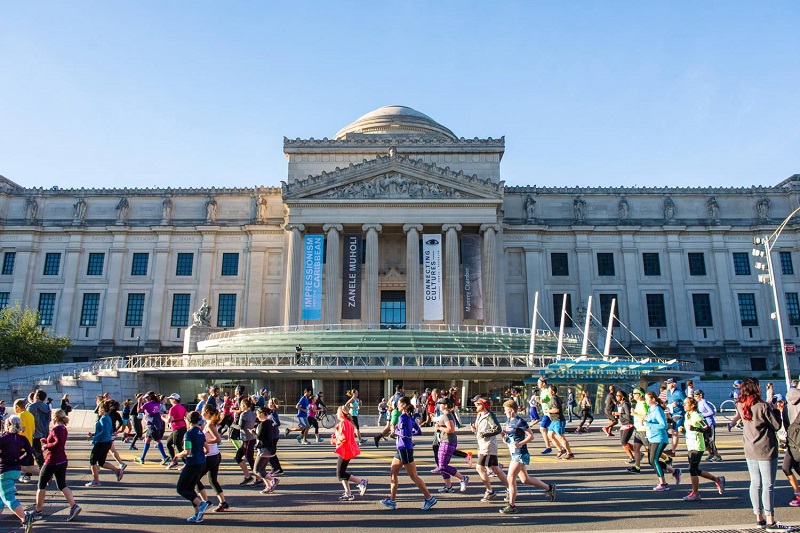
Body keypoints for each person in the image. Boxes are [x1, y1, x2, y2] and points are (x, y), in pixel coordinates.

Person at [737, 377, 787, 531]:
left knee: (755, 483)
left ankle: (759, 517)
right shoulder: (762, 406)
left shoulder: (740, 404)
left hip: (750, 448)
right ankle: (770, 519)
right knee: (768, 484)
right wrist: (776, 409)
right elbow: (777, 425)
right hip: (766, 448)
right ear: (756, 388)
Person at [379, 396, 437, 511]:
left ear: (404, 405)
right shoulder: (411, 417)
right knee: (393, 474)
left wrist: (395, 431)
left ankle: (429, 498)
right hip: (402, 448)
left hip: (404, 448)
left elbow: (405, 434)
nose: (397, 406)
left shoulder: (402, 418)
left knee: (414, 476)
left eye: (399, 404)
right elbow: (418, 431)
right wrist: (407, 433)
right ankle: (392, 501)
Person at [499, 399, 556, 514]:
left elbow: (531, 436)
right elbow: (511, 436)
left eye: (505, 410)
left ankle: (512, 505)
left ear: (511, 410)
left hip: (520, 453)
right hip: (514, 453)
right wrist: (504, 435)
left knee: (510, 479)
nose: (504, 412)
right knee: (525, 479)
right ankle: (549, 488)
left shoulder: (520, 421)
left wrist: (520, 443)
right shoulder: (509, 420)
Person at [32, 409, 81, 523]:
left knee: (41, 485)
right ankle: (74, 506)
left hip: (52, 460)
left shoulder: (56, 429)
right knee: (62, 484)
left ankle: (38, 511)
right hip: (62, 460)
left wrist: (46, 446)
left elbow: (57, 443)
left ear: (54, 418)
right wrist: (45, 441)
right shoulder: (63, 428)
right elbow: (57, 441)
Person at [681, 397, 725, 501]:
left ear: (692, 405)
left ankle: (695, 494)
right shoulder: (687, 415)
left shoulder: (697, 416)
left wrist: (695, 428)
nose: (684, 405)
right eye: (684, 403)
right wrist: (683, 430)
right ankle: (718, 480)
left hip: (698, 445)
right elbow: (689, 430)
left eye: (686, 403)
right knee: (695, 470)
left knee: (692, 469)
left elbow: (706, 428)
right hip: (690, 444)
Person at [0, 416, 36, 531]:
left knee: (8, 498)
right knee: (1, 497)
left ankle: (25, 518)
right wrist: (18, 458)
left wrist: (3, 457)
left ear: (8, 424)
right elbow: (30, 452)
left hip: (4, 470)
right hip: (16, 470)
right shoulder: (22, 438)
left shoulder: (3, 439)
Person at [174, 411, 211, 523]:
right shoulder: (200, 432)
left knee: (181, 488)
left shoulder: (188, 433)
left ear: (188, 420)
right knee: (190, 488)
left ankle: (202, 504)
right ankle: (197, 514)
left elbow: (187, 451)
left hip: (192, 463)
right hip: (201, 462)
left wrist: (177, 455)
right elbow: (207, 449)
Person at [470, 395, 508, 501]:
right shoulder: (480, 415)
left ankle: (490, 491)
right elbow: (481, 431)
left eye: (477, 404)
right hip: (484, 445)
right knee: (495, 468)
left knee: (480, 467)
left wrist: (484, 433)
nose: (475, 405)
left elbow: (497, 428)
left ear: (483, 405)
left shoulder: (489, 415)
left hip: (488, 446)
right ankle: (510, 488)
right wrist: (475, 430)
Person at [644, 392, 681, 492]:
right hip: (652, 438)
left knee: (654, 460)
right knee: (651, 461)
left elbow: (663, 425)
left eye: (647, 398)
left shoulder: (657, 410)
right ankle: (674, 471)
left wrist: (648, 424)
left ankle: (663, 483)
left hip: (659, 438)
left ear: (653, 399)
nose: (645, 400)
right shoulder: (650, 409)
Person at [433, 399, 469, 493]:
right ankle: (448, 487)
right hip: (445, 441)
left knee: (442, 466)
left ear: (445, 405)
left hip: (448, 442)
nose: (439, 405)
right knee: (442, 465)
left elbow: (451, 430)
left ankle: (463, 478)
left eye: (440, 404)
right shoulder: (447, 414)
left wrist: (439, 427)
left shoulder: (446, 415)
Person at [86, 400, 124, 487]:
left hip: (101, 443)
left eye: (99, 408)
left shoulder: (104, 418)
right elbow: (107, 431)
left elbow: (104, 432)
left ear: (103, 409)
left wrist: (94, 439)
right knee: (101, 462)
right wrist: (94, 434)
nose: (98, 410)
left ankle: (96, 481)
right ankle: (117, 471)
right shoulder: (107, 418)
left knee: (92, 461)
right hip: (106, 442)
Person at [332, 406, 368, 501]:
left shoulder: (343, 422)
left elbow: (344, 437)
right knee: (342, 472)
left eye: (337, 412)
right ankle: (348, 493)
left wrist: (335, 440)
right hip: (348, 449)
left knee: (340, 473)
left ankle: (361, 482)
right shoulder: (348, 422)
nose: (336, 414)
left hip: (345, 450)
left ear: (342, 413)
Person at [198, 404, 228, 512]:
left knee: (195, 479)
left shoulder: (210, 424)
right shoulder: (208, 423)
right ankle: (223, 503)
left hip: (210, 457)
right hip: (214, 455)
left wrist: (204, 442)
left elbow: (218, 439)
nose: (201, 413)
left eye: (202, 412)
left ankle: (206, 502)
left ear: (208, 413)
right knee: (212, 480)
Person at [134, 391, 169, 464]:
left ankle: (164, 456)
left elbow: (139, 411)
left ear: (150, 397)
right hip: (156, 423)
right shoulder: (157, 403)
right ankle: (142, 458)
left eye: (146, 397)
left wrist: (139, 402)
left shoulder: (148, 404)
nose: (145, 399)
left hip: (151, 425)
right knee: (147, 440)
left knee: (157, 440)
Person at [252, 407, 278, 494]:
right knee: (262, 469)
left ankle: (273, 480)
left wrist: (252, 432)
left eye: (257, 414)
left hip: (264, 449)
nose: (256, 416)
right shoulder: (268, 422)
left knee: (256, 470)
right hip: (268, 449)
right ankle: (268, 486)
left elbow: (259, 437)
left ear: (262, 414)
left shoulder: (264, 423)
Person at [233, 397, 257, 485]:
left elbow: (241, 426)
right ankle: (247, 476)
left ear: (244, 405)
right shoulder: (253, 413)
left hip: (248, 439)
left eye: (241, 405)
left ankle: (259, 478)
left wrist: (233, 426)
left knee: (250, 459)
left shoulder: (244, 414)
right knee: (238, 457)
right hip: (248, 438)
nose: (240, 407)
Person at [694, 389, 722, 461]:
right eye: (694, 396)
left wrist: (702, 414)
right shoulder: (698, 403)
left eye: (696, 396)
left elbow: (711, 412)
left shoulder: (703, 402)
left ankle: (717, 456)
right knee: (704, 440)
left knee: (711, 441)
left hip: (710, 424)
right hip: (703, 424)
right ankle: (711, 453)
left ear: (700, 395)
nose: (695, 397)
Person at [547, 385, 574, 459]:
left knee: (561, 437)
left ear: (552, 392)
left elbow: (557, 410)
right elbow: (562, 405)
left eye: (548, 390)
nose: (547, 391)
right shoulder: (555, 398)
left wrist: (548, 411)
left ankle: (569, 453)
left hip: (558, 420)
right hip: (554, 421)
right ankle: (561, 450)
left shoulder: (554, 399)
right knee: (550, 435)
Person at [27, 389, 51, 467]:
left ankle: (43, 470)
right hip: (45, 432)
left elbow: (29, 420)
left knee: (36, 454)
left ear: (37, 397)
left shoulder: (32, 407)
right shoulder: (47, 407)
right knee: (47, 453)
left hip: (35, 433)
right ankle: (46, 468)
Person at [627, 388, 649, 474]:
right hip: (638, 429)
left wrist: (635, 414)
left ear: (640, 395)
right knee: (636, 448)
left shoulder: (643, 404)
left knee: (649, 450)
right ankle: (637, 467)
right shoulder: (638, 403)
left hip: (644, 430)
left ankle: (666, 459)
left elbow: (646, 416)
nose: (633, 394)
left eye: (635, 393)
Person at [165, 393, 188, 470]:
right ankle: (174, 461)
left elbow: (169, 420)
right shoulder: (182, 407)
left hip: (178, 428)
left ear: (174, 400)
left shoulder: (173, 408)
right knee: (168, 443)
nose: (170, 400)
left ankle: (186, 463)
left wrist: (162, 418)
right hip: (181, 427)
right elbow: (187, 416)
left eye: (171, 399)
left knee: (177, 445)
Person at [665, 378, 686, 455]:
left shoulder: (679, 392)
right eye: (667, 383)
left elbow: (686, 402)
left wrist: (678, 404)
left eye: (669, 383)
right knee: (669, 429)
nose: (667, 385)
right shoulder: (668, 392)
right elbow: (668, 401)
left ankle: (672, 450)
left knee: (674, 432)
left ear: (674, 384)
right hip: (671, 413)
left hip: (678, 413)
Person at [615, 390, 635, 464]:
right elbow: (621, 415)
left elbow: (628, 416)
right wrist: (617, 415)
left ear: (622, 397)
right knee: (623, 443)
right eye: (616, 395)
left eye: (618, 395)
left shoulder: (626, 404)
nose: (616, 397)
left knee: (624, 441)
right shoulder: (620, 405)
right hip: (623, 425)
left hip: (628, 424)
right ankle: (634, 455)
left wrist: (619, 414)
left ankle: (632, 457)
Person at [537, 378, 555, 453]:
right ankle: (559, 447)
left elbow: (549, 399)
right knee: (551, 431)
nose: (538, 384)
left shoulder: (547, 390)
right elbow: (544, 402)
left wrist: (540, 400)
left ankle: (549, 447)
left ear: (543, 383)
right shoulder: (542, 391)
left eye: (539, 382)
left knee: (543, 429)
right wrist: (539, 402)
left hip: (549, 413)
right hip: (546, 413)